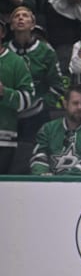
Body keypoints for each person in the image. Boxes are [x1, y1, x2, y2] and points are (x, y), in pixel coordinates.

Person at [6, 6, 64, 174]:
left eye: (25, 16)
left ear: (33, 24)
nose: (20, 18)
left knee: (35, 160)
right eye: (16, 16)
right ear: (11, 25)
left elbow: (58, 86)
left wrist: (41, 103)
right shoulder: (4, 50)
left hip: (37, 116)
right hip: (8, 116)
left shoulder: (46, 51)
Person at [29, 84, 81, 176]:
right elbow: (39, 155)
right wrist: (43, 175)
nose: (79, 107)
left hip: (80, 185)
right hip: (48, 185)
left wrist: (66, 180)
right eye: (75, 103)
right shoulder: (48, 128)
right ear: (65, 104)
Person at [0, 16, 34, 174]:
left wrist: (4, 93)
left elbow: (27, 100)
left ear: (2, 32)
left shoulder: (16, 62)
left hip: (4, 140)